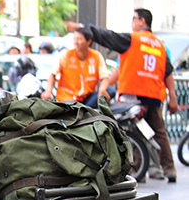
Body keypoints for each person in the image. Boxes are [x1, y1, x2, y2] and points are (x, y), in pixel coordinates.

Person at [66, 9, 179, 182]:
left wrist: (83, 27)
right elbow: (168, 73)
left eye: (134, 19)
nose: (132, 23)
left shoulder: (132, 40)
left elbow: (106, 36)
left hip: (132, 96)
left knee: (128, 132)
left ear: (142, 21)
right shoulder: (159, 45)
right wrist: (173, 97)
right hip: (153, 96)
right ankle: (169, 169)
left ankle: (134, 169)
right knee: (159, 133)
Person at [42, 27, 106, 106]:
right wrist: (48, 91)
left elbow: (105, 77)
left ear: (89, 41)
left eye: (79, 39)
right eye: (74, 39)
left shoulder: (97, 56)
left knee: (110, 90)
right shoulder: (65, 55)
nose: (76, 42)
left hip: (86, 98)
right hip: (68, 98)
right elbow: (53, 74)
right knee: (73, 108)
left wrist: (102, 90)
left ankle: (85, 111)